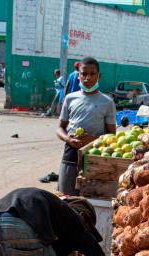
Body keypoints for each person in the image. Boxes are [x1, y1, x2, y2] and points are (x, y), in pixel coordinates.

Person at [56, 56, 116, 195]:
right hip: (70, 154)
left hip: (96, 156)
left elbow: (112, 135)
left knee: (91, 199)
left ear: (99, 76)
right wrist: (68, 139)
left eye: (92, 74)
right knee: (67, 198)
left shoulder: (107, 102)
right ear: (78, 76)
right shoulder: (70, 98)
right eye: (84, 74)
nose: (87, 78)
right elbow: (60, 128)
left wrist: (94, 139)